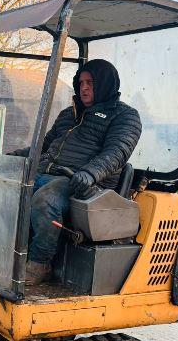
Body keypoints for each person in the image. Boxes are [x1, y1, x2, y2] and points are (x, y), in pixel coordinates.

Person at [10, 58, 142, 285]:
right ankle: (7, 253)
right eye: (81, 82)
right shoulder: (67, 114)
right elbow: (44, 145)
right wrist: (13, 157)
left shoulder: (124, 116)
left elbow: (117, 152)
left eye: (90, 82)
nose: (84, 87)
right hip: (45, 172)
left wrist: (90, 174)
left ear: (106, 84)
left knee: (46, 200)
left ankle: (40, 263)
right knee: (5, 188)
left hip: (84, 183)